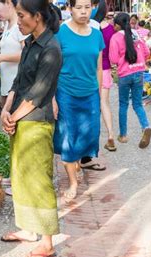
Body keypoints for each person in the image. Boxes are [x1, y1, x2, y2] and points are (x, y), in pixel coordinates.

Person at [0, 0, 62, 257]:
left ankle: (47, 242)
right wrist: (6, 109)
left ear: (37, 17)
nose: (20, 20)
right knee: (21, 175)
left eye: (22, 15)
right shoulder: (29, 44)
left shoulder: (51, 48)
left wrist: (13, 116)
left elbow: (37, 93)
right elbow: (18, 82)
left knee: (38, 180)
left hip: (37, 121)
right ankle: (28, 229)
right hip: (20, 118)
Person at [53, 0, 105, 200]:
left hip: (90, 93)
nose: (84, 12)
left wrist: (99, 95)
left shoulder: (97, 35)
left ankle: (76, 162)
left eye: (87, 7)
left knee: (90, 134)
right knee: (69, 138)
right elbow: (53, 67)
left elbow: (99, 67)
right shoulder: (61, 34)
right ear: (69, 9)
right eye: (79, 7)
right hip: (66, 93)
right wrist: (53, 98)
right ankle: (73, 182)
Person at [110, 13, 151, 149]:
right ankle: (145, 126)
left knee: (123, 104)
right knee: (138, 104)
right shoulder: (137, 34)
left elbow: (113, 59)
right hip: (138, 72)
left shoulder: (115, 37)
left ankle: (123, 135)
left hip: (124, 75)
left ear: (117, 25)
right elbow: (147, 53)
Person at [0, 0, 28, 113]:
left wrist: (1, 58)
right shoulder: (7, 25)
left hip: (19, 88)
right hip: (7, 86)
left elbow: (28, 54)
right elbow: (10, 51)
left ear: (8, 3)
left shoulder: (20, 25)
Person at [100, 12, 117, 152]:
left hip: (89, 71)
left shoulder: (88, 27)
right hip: (105, 70)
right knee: (104, 103)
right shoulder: (111, 29)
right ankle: (110, 133)